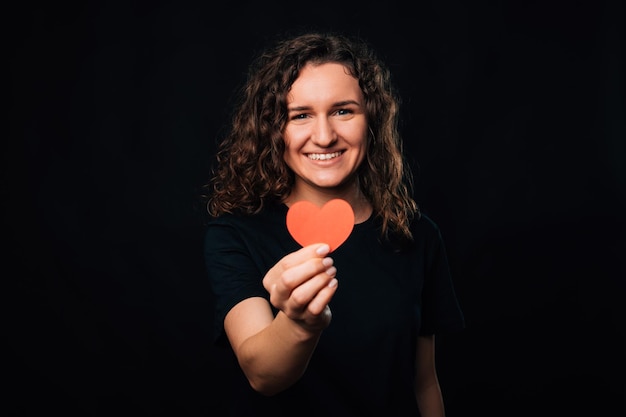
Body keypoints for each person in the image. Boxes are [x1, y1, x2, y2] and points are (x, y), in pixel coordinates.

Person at [202, 30, 465, 417]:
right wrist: (299, 322)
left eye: (343, 111)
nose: (324, 137)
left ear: (370, 119)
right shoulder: (236, 235)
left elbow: (424, 381)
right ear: (274, 128)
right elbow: (262, 374)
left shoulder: (417, 235)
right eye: (300, 115)